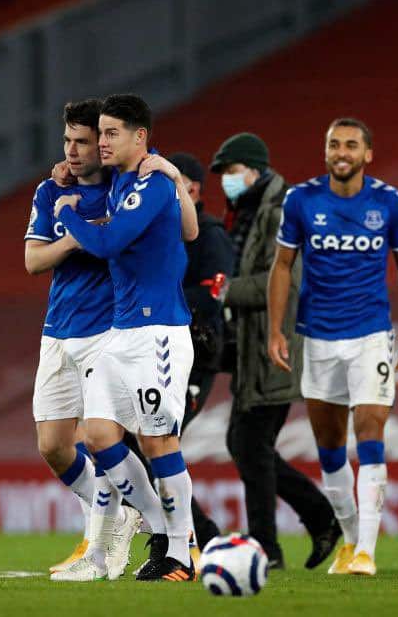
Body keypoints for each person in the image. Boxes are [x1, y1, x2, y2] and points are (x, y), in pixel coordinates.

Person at [268, 119, 398, 576]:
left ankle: (367, 553)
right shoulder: (301, 200)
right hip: (316, 336)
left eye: (351, 145)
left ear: (367, 154)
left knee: (370, 432)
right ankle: (350, 540)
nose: (341, 151)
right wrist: (276, 330)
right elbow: (282, 266)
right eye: (334, 143)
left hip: (370, 335)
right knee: (330, 447)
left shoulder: (389, 203)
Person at [54, 94, 198, 582]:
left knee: (159, 440)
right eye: (101, 133)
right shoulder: (125, 181)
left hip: (158, 332)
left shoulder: (153, 183)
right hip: (122, 329)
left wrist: (68, 213)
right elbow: (190, 229)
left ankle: (182, 551)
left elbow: (109, 243)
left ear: (141, 136)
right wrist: (68, 173)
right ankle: (159, 528)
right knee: (97, 435)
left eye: (112, 133)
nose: (103, 142)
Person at [209, 133, 340, 570]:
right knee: (248, 443)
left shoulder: (281, 209)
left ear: (253, 168)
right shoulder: (252, 210)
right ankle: (315, 520)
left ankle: (270, 544)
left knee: (249, 443)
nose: (226, 181)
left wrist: (226, 291)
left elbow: (284, 281)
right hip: (254, 346)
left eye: (230, 171)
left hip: (275, 345)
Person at [24, 98, 141, 580]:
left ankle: (98, 548)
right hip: (57, 330)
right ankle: (121, 511)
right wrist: (75, 235)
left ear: (105, 143)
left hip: (106, 331)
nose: (72, 151)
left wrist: (81, 231)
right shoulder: (51, 190)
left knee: (97, 438)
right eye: (67, 140)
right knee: (53, 445)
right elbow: (33, 260)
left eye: (83, 141)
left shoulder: (124, 190)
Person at [169, 152, 230, 548]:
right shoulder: (160, 231)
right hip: (160, 353)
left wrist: (164, 300)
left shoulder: (209, 234)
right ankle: (187, 532)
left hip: (196, 357)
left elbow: (217, 288)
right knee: (142, 443)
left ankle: (198, 535)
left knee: (159, 442)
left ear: (192, 189)